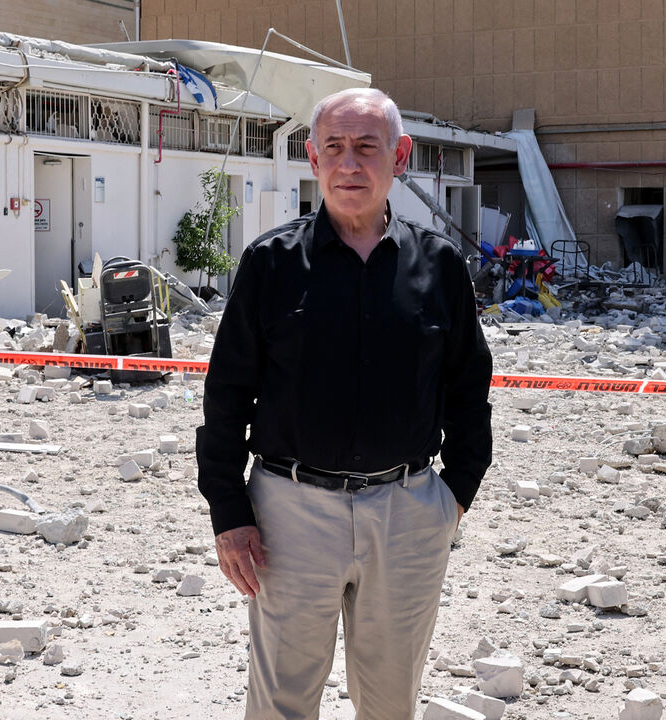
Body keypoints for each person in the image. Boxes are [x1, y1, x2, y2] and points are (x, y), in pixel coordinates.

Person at [196, 87, 493, 720]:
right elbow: (224, 399)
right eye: (334, 147)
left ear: (400, 156)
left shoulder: (439, 268)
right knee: (282, 705)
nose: (349, 164)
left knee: (390, 704)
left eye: (366, 147)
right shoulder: (270, 265)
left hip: (408, 514)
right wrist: (229, 512)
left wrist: (451, 499)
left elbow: (470, 390)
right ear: (312, 158)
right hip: (289, 518)